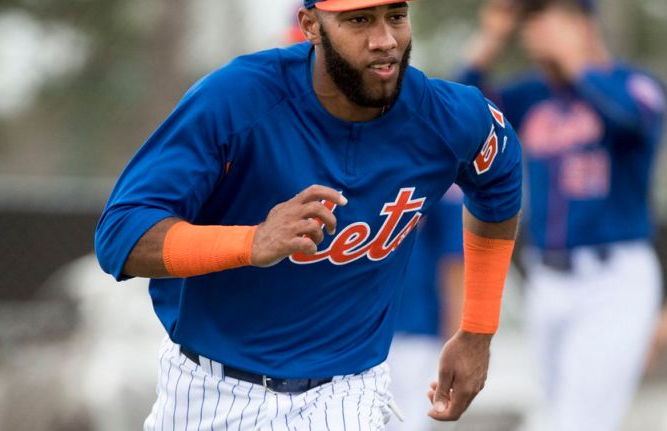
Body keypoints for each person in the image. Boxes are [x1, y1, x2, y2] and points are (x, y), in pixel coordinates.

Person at [95, 0, 523, 429]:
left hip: (346, 393)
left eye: (396, 16)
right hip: (211, 391)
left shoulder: (446, 115)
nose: (385, 40)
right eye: (359, 20)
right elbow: (120, 235)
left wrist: (478, 331)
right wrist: (249, 242)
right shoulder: (237, 98)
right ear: (311, 26)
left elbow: (501, 176)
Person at [459, 1, 667, 430]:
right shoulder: (533, 95)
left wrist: (576, 60)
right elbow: (460, 119)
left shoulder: (635, 84)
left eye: (548, 17)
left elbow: (631, 120)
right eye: (531, 22)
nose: (536, 31)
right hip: (546, 279)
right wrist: (492, 40)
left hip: (613, 278)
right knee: (557, 414)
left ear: (583, 24)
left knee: (578, 422)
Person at [387, 185, 464, 431]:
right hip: (366, 332)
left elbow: (454, 260)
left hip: (417, 329)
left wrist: (456, 337)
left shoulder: (438, 171)